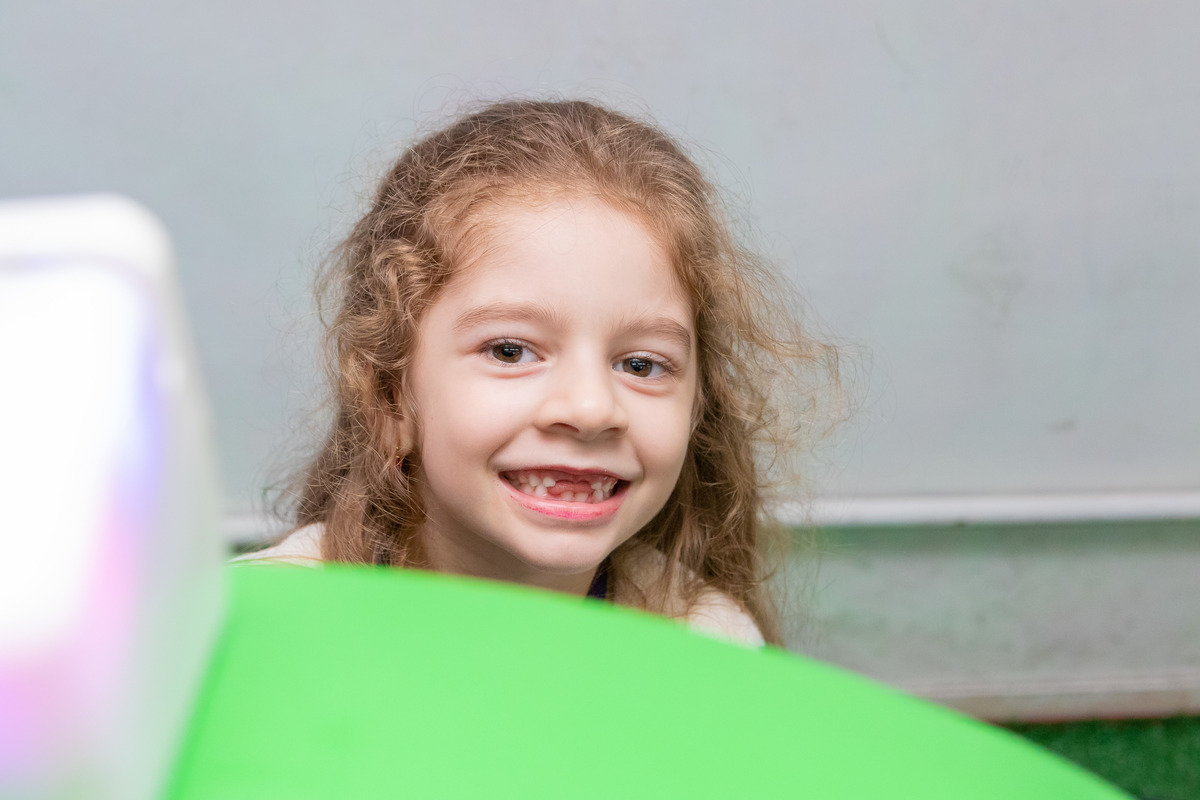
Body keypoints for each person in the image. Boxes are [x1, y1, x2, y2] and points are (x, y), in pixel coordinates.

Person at [237, 99, 838, 647]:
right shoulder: (261, 631)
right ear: (391, 398)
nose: (590, 409)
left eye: (641, 364)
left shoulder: (706, 646)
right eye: (509, 351)